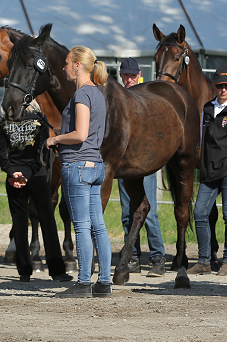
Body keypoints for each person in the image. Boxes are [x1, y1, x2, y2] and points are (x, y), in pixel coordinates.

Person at [47, 46, 112, 298]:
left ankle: (84, 281)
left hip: (78, 165)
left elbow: (81, 134)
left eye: (66, 63)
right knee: (98, 226)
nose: (63, 68)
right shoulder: (98, 94)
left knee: (82, 226)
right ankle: (103, 281)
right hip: (95, 165)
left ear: (77, 65)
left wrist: (55, 140)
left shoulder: (82, 95)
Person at [0, 100, 73, 283]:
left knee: (20, 224)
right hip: (37, 176)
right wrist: (28, 174)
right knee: (48, 222)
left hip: (13, 178)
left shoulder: (5, 122)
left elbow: (0, 153)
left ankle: (24, 271)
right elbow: (42, 152)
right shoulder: (40, 120)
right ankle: (56, 270)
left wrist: (12, 172)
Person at [188, 67, 227, 277]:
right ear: (214, 85)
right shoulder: (207, 109)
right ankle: (204, 260)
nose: (223, 89)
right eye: (219, 85)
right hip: (209, 171)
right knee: (199, 213)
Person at [116, 58, 166, 277]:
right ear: (121, 75)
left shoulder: (144, 98)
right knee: (127, 213)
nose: (129, 79)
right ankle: (133, 256)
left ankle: (158, 257)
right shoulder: (118, 98)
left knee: (150, 212)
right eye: (125, 75)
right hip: (123, 161)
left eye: (132, 75)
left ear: (139, 75)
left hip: (143, 160)